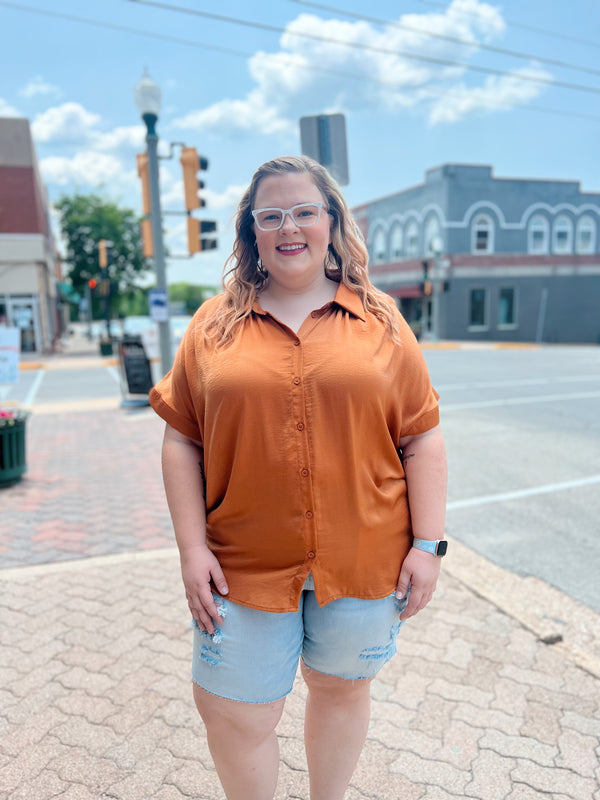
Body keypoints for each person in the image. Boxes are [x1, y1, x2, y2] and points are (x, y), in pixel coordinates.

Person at [149, 155, 447, 800]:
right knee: (235, 712)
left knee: (340, 692)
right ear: (251, 232)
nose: (290, 227)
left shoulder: (383, 320)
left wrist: (429, 547)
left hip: (366, 561)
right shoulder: (211, 325)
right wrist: (190, 548)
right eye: (271, 215)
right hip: (241, 566)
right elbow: (181, 440)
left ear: (331, 222)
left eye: (305, 211)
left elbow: (421, 436)